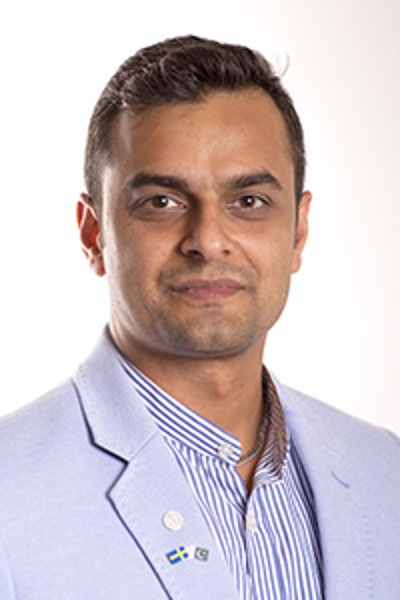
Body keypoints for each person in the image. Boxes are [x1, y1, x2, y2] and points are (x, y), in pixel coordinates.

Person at [0, 36, 398, 600]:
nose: (208, 240)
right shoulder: (9, 494)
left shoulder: (386, 472)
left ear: (298, 231)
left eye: (249, 202)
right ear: (93, 234)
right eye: (161, 202)